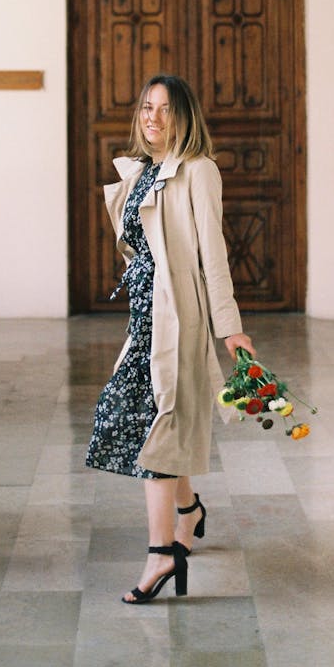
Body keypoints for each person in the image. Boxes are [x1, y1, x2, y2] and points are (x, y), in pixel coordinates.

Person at [85, 74, 255, 603]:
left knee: (157, 432)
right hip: (144, 321)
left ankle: (162, 555)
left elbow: (214, 257)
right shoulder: (142, 172)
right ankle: (188, 511)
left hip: (178, 320)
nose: (152, 117)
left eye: (164, 109)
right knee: (147, 421)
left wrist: (231, 329)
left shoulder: (198, 172)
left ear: (184, 118)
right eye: (146, 107)